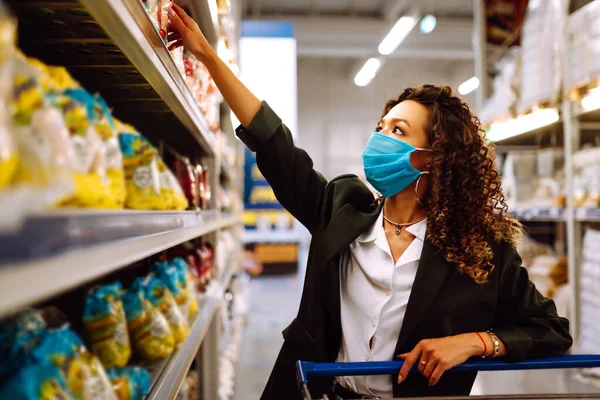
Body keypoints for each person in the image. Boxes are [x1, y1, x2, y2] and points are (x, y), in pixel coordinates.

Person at [168, 5, 573, 399]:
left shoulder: (480, 252)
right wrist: (208, 56)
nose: (379, 139)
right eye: (380, 127)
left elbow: (550, 330)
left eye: (397, 130)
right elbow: (275, 145)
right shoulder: (342, 208)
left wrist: (475, 343)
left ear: (431, 158)